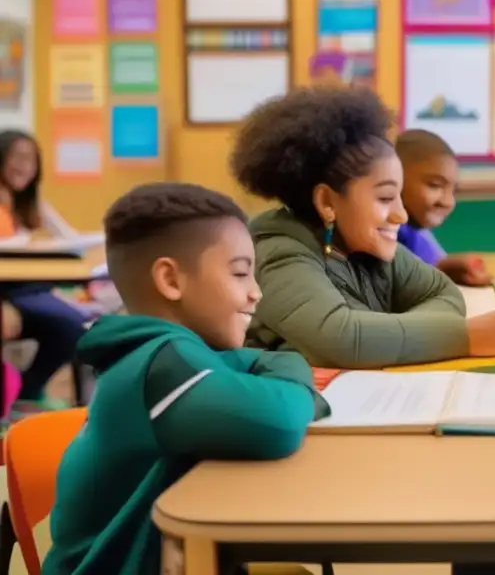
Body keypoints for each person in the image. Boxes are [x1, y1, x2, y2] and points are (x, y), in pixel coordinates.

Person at [43, 182, 327, 575]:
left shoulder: (160, 353)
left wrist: (280, 372)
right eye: (240, 273)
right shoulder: (164, 364)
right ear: (171, 280)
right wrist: (295, 372)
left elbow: (243, 363)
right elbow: (277, 424)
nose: (255, 293)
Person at [230, 86, 495, 369]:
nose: (401, 215)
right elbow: (343, 339)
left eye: (399, 196)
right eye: (384, 198)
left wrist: (378, 338)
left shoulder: (368, 248)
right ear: (328, 201)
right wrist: (463, 336)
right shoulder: (279, 253)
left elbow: (444, 296)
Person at [0, 130, 89, 413]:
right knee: (69, 324)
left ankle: (25, 393)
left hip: (28, 288)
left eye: (32, 160)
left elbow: (69, 237)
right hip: (10, 290)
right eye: (17, 157)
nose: (24, 166)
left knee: (72, 326)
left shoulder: (30, 203)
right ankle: (20, 394)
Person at [395, 128, 491, 286]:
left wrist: (449, 270)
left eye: (454, 190)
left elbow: (427, 268)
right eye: (435, 185)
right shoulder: (383, 233)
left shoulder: (417, 232)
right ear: (393, 176)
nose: (448, 202)